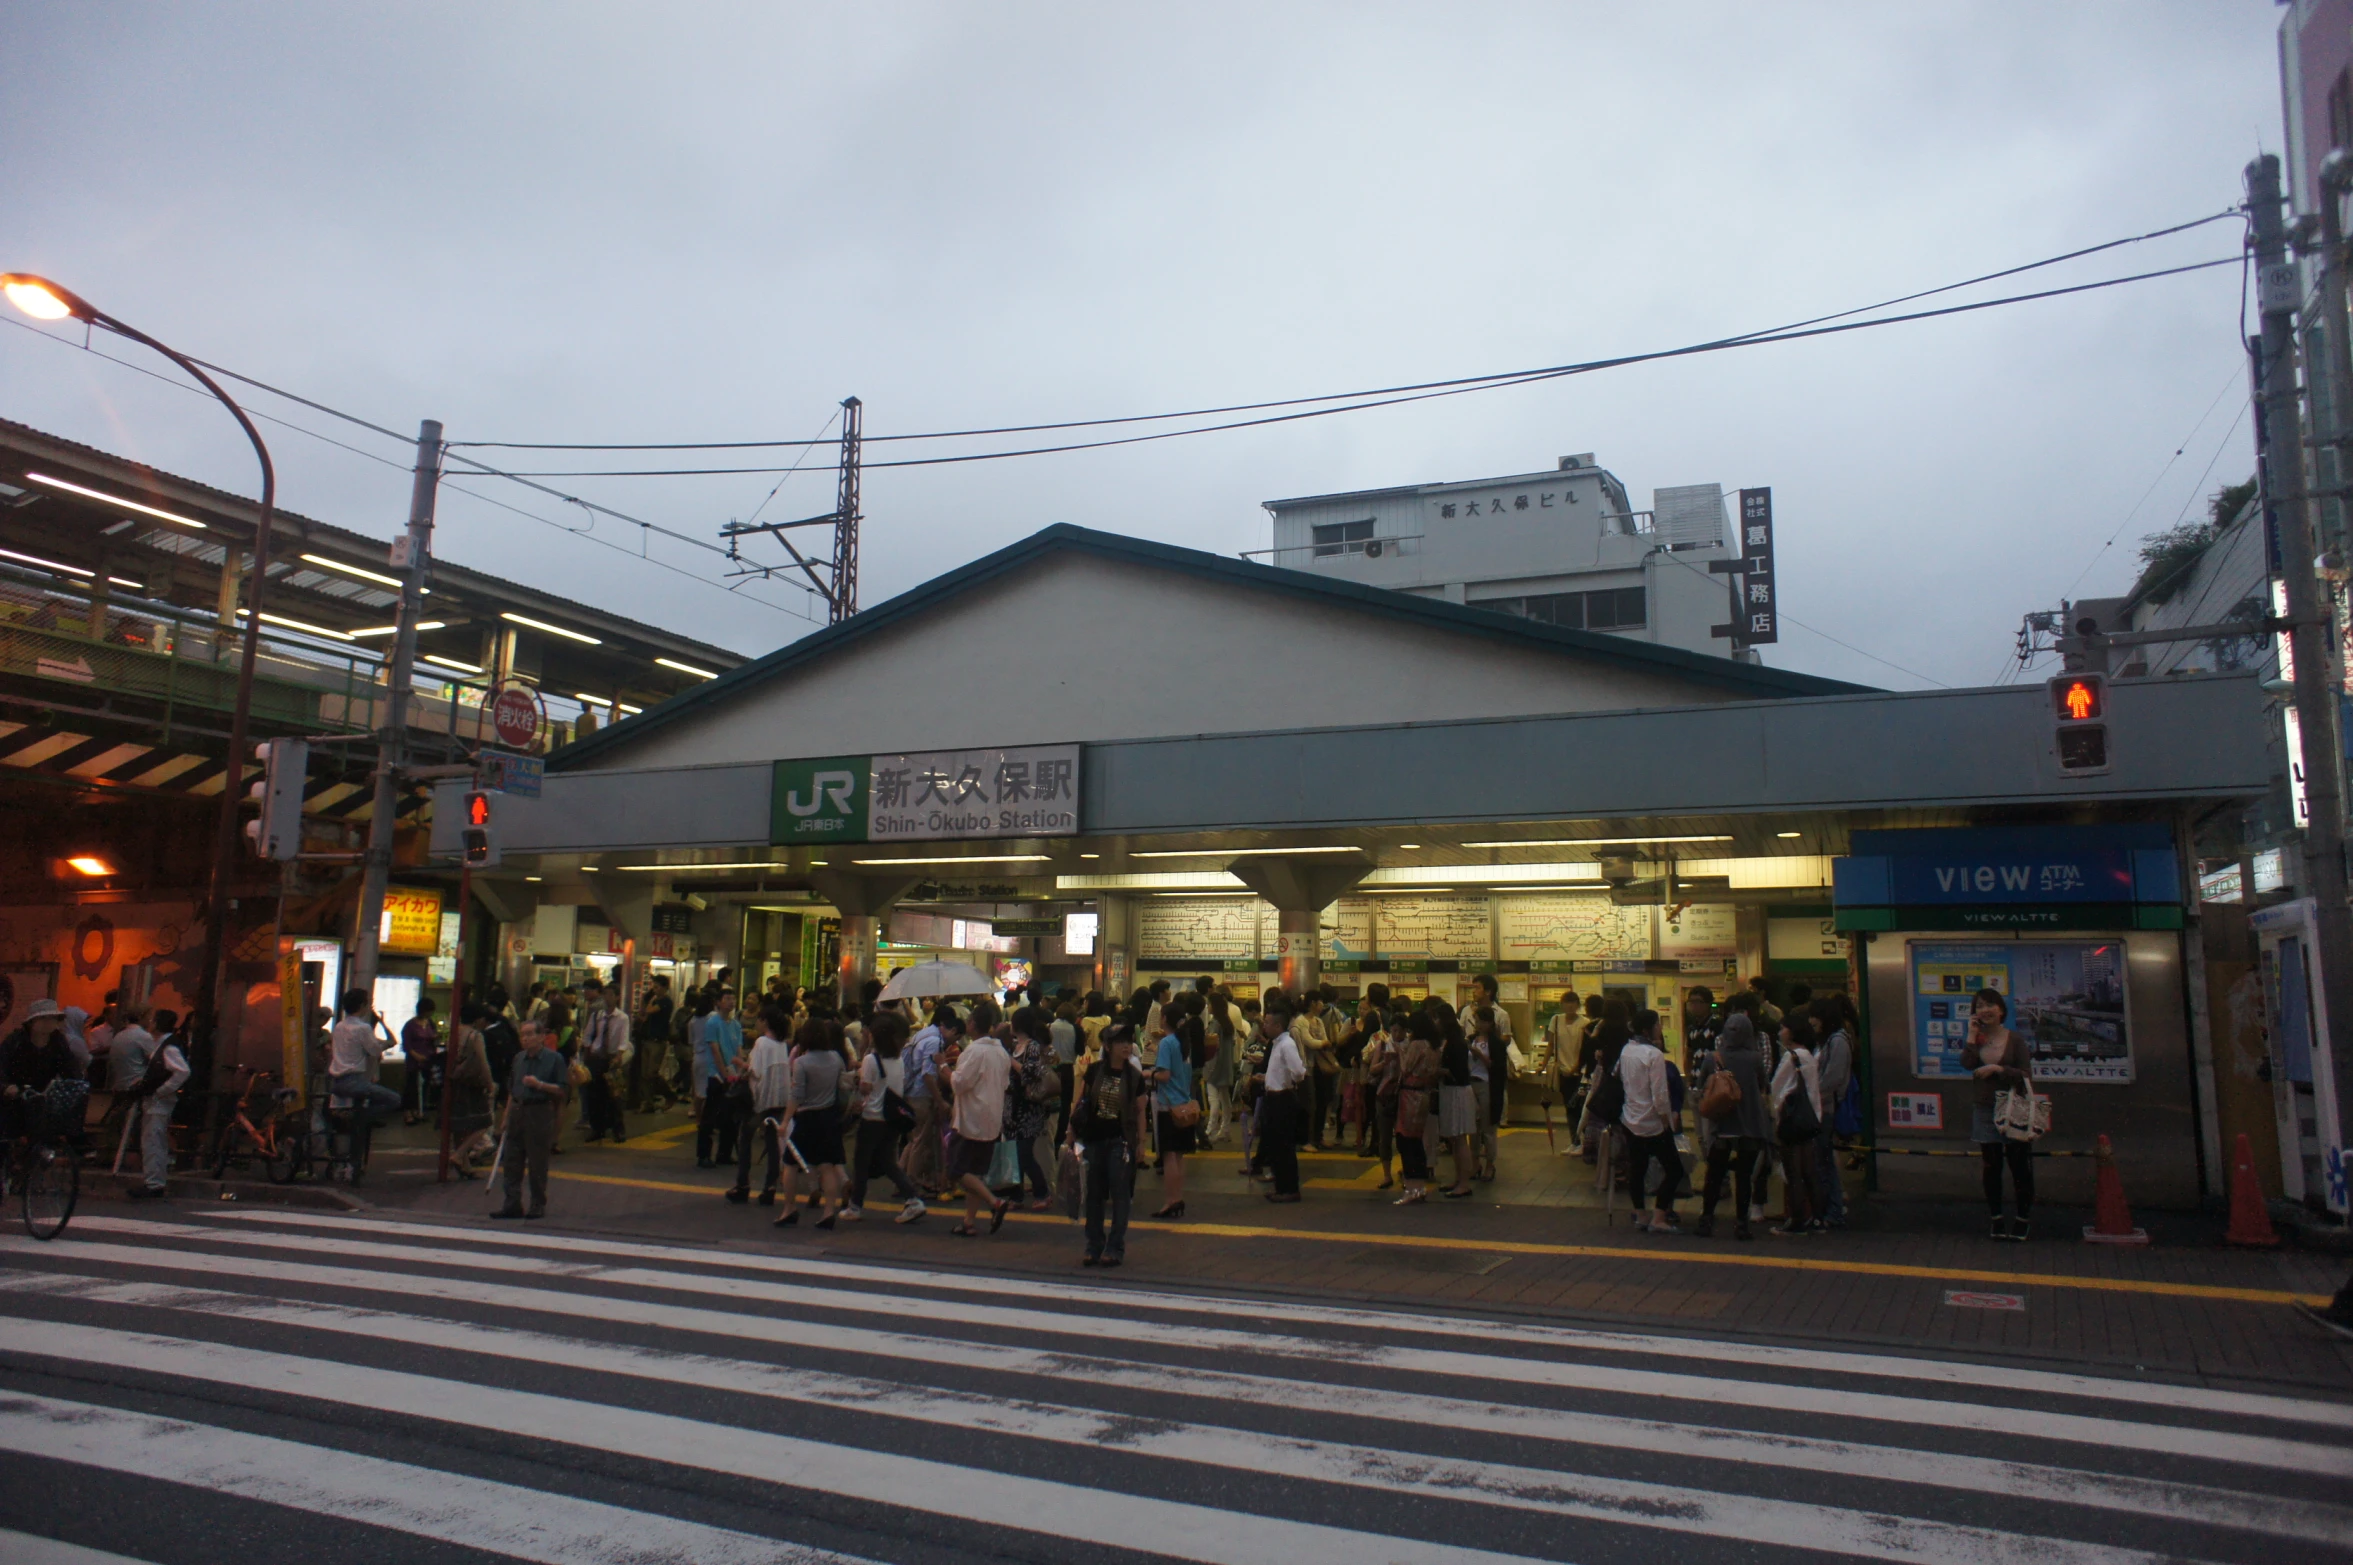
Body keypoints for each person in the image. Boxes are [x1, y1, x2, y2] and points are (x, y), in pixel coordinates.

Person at [1069, 1023, 1148, 1267]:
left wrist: (1141, 1143)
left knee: (1120, 1194)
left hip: (1121, 1141)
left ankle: (1114, 1247)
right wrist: (1071, 1130)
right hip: (1094, 1139)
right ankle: (1093, 1246)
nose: (1126, 1046)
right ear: (1108, 1046)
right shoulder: (1093, 1071)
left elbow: (1141, 1111)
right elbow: (1080, 1102)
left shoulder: (1134, 1077)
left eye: (1128, 1042)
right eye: (1120, 1042)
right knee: (1093, 1195)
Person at [1964, 987, 2035, 1242]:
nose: (1985, 1009)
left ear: (2001, 1010)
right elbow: (1967, 1064)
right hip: (1984, 1107)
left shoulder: (2014, 1039)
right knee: (1991, 1166)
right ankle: (1996, 1218)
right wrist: (1972, 1036)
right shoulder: (1978, 1038)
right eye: (1980, 1005)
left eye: (1990, 1005)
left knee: (2019, 1165)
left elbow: (2026, 1074)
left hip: (2014, 1107)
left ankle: (2022, 1219)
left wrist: (1998, 1068)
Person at [1693, 1008, 1771, 1240]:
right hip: (1749, 1125)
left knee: (1714, 1174)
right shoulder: (1755, 1058)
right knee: (1745, 1176)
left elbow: (1700, 1086)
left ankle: (1706, 1219)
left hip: (1721, 1125)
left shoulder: (1713, 1058)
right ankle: (1741, 1223)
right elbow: (1762, 1084)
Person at [848, 1008, 925, 1224]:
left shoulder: (871, 1060)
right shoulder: (898, 1060)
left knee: (861, 1163)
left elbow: (865, 1088)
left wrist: (858, 1076)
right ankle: (913, 1199)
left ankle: (855, 1206)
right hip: (892, 1119)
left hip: (872, 1117)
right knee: (889, 1162)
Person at [773, 1018, 850, 1231]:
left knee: (790, 1164)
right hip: (829, 1117)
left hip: (807, 1119)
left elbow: (796, 1095)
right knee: (827, 1166)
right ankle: (828, 1212)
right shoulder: (835, 1058)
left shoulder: (801, 1063)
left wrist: (785, 1121)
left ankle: (789, 1208)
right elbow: (842, 1084)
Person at [491, 1019, 568, 1220]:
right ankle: (512, 1203)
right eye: (522, 1035)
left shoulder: (555, 1059)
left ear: (542, 1037)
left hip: (539, 1111)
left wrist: (540, 1085)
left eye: (529, 1034)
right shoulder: (518, 1059)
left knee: (537, 1161)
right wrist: (506, 1116)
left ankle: (537, 1203)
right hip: (518, 1109)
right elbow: (512, 1089)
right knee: (512, 1160)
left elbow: (562, 1090)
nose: (525, 1039)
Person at [947, 1019, 1014, 1236]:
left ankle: (995, 1202)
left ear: (973, 1025)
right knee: (976, 1172)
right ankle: (969, 1221)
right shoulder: (1002, 1053)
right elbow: (1005, 1084)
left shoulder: (974, 1051)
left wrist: (942, 1068)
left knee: (957, 1168)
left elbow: (959, 1083)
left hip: (970, 1118)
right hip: (993, 1117)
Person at [1616, 1011, 1680, 1233]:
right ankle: (1659, 1216)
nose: (1660, 1029)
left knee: (1638, 1168)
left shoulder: (1627, 1050)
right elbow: (1660, 1094)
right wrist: (1666, 1120)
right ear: (1648, 1029)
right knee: (1674, 1169)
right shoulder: (1653, 1055)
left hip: (1630, 1118)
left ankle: (1641, 1214)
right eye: (1657, 1025)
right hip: (1653, 1122)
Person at [728, 1007, 793, 1205]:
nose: (756, 1023)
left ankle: (743, 1185)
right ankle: (770, 1187)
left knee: (745, 1139)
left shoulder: (762, 1042)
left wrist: (741, 1064)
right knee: (772, 1144)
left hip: (759, 1100)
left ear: (765, 1022)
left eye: (759, 1020)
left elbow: (755, 1072)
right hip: (779, 1099)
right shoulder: (782, 1044)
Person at [1768, 1015, 1824, 1237]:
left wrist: (1774, 1116)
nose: (1780, 1033)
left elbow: (1776, 1088)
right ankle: (1817, 1218)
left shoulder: (1791, 1057)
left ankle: (1797, 1219)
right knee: (1809, 1171)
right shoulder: (1809, 1056)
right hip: (1809, 1119)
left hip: (1791, 1120)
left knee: (1793, 1172)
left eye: (1783, 1029)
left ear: (1792, 1032)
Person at [1, 999, 79, 1146]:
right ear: (31, 1022)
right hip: (15, 1091)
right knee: (8, 1129)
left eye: (52, 1018)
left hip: (42, 1093)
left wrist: (74, 1084)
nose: (48, 1022)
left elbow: (70, 1067)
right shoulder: (15, 1041)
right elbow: (1, 1066)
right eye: (43, 1018)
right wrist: (6, 1086)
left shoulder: (58, 1042)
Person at [326, 988, 402, 1139]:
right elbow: (375, 1050)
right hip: (355, 1082)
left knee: (350, 1129)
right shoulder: (363, 1028)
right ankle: (359, 1116)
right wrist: (382, 1024)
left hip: (336, 1081)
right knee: (394, 1099)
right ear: (362, 1006)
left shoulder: (339, 1026)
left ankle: (355, 1117)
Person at [899, 1006, 957, 1195]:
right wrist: (940, 1100)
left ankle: (900, 1180)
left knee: (914, 1139)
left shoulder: (922, 1035)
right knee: (921, 1140)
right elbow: (928, 1075)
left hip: (911, 1091)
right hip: (921, 1094)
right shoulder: (934, 1041)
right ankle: (910, 1183)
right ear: (944, 1025)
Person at [1005, 1011, 1060, 1210]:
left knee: (1024, 1153)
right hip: (1013, 1106)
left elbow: (1030, 1073)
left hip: (1029, 1107)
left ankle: (1042, 1192)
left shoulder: (1032, 1047)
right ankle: (1016, 1195)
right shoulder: (1013, 1046)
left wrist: (1010, 1061)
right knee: (1015, 1152)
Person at [1254, 1003, 1307, 1202]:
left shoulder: (1287, 1044)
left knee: (1284, 1147)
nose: (1264, 1026)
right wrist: (1267, 1078)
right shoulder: (1277, 1043)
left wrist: (1286, 1081)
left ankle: (1290, 1189)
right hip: (1273, 1098)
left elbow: (1299, 1072)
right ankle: (1281, 1187)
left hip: (1282, 1099)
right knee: (1276, 1146)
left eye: (1267, 1023)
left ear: (1277, 1026)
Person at [1149, 999, 1197, 1220]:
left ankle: (1170, 1201)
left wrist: (1149, 1074)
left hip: (1169, 1106)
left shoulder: (1168, 1043)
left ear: (1165, 1019)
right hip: (1185, 1104)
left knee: (1168, 1156)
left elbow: (1164, 1074)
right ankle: (1178, 1198)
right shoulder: (1183, 1042)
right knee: (1179, 1156)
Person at [1810, 996, 1854, 1229]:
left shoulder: (1837, 1041)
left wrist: (1814, 1096)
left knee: (1824, 1161)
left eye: (1814, 1016)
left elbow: (1834, 1078)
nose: (1811, 1020)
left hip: (1826, 1108)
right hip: (1822, 1107)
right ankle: (1830, 1209)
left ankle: (1833, 1210)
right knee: (1823, 1160)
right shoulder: (1828, 1040)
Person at [1390, 1011, 1440, 1205]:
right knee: (1417, 1142)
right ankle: (1420, 1187)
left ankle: (1411, 1188)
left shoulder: (1417, 1045)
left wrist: (1399, 1050)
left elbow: (1405, 1068)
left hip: (1410, 1095)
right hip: (1424, 1094)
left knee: (1406, 1141)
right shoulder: (1434, 1046)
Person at [575, 979, 630, 1144]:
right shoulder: (597, 1015)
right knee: (594, 1095)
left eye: (610, 995)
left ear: (617, 997)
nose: (607, 998)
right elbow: (588, 1035)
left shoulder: (622, 1018)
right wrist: (586, 1052)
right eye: (605, 994)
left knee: (614, 1096)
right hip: (596, 1058)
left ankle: (618, 1130)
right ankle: (597, 1128)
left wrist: (619, 1056)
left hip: (612, 1058)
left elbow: (623, 1040)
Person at [693, 989, 743, 1168]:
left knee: (730, 1117)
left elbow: (738, 1049)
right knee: (710, 1116)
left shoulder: (736, 1024)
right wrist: (724, 1073)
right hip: (716, 1075)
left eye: (733, 998)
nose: (731, 1002)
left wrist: (738, 1071)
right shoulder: (712, 1023)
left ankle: (724, 1153)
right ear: (719, 1002)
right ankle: (704, 1154)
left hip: (732, 1076)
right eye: (727, 998)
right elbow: (714, 1050)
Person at [445, 1007, 495, 1175]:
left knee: (460, 1125)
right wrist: (490, 1085)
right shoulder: (475, 1035)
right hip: (472, 1084)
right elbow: (483, 1062)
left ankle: (466, 1166)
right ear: (477, 1019)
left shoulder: (454, 1032)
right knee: (484, 1122)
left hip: (454, 1082)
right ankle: (459, 1155)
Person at [1467, 1005, 1505, 1182]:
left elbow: (1496, 1067)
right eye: (1476, 1021)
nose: (1478, 1024)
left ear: (1490, 1022)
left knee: (1488, 1127)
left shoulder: (1496, 1043)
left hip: (1487, 1085)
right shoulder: (1471, 1039)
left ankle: (1490, 1164)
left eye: (1481, 1021)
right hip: (1471, 1083)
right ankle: (1474, 1163)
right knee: (1472, 1128)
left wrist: (1479, 1055)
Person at [399, 997, 441, 1125]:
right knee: (411, 1086)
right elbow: (406, 1044)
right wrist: (415, 1055)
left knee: (425, 1085)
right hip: (414, 1060)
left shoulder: (430, 1023)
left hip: (428, 1059)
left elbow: (434, 1037)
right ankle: (408, 1112)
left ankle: (419, 1110)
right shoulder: (410, 1025)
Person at [1048, 998, 1081, 1149]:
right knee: (1066, 1104)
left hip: (1052, 1069)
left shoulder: (1049, 1027)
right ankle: (1061, 1137)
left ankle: (1050, 1134)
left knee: (1051, 1103)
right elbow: (1080, 1050)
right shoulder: (1076, 1028)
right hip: (1068, 1069)